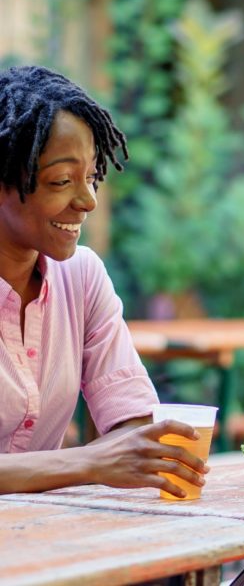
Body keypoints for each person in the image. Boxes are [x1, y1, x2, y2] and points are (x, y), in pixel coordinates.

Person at [0, 65, 207, 497]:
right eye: (61, 180)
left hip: (43, 547)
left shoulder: (82, 276)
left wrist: (105, 456)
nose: (88, 201)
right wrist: (89, 460)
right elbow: (109, 456)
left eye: (92, 176)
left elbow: (134, 429)